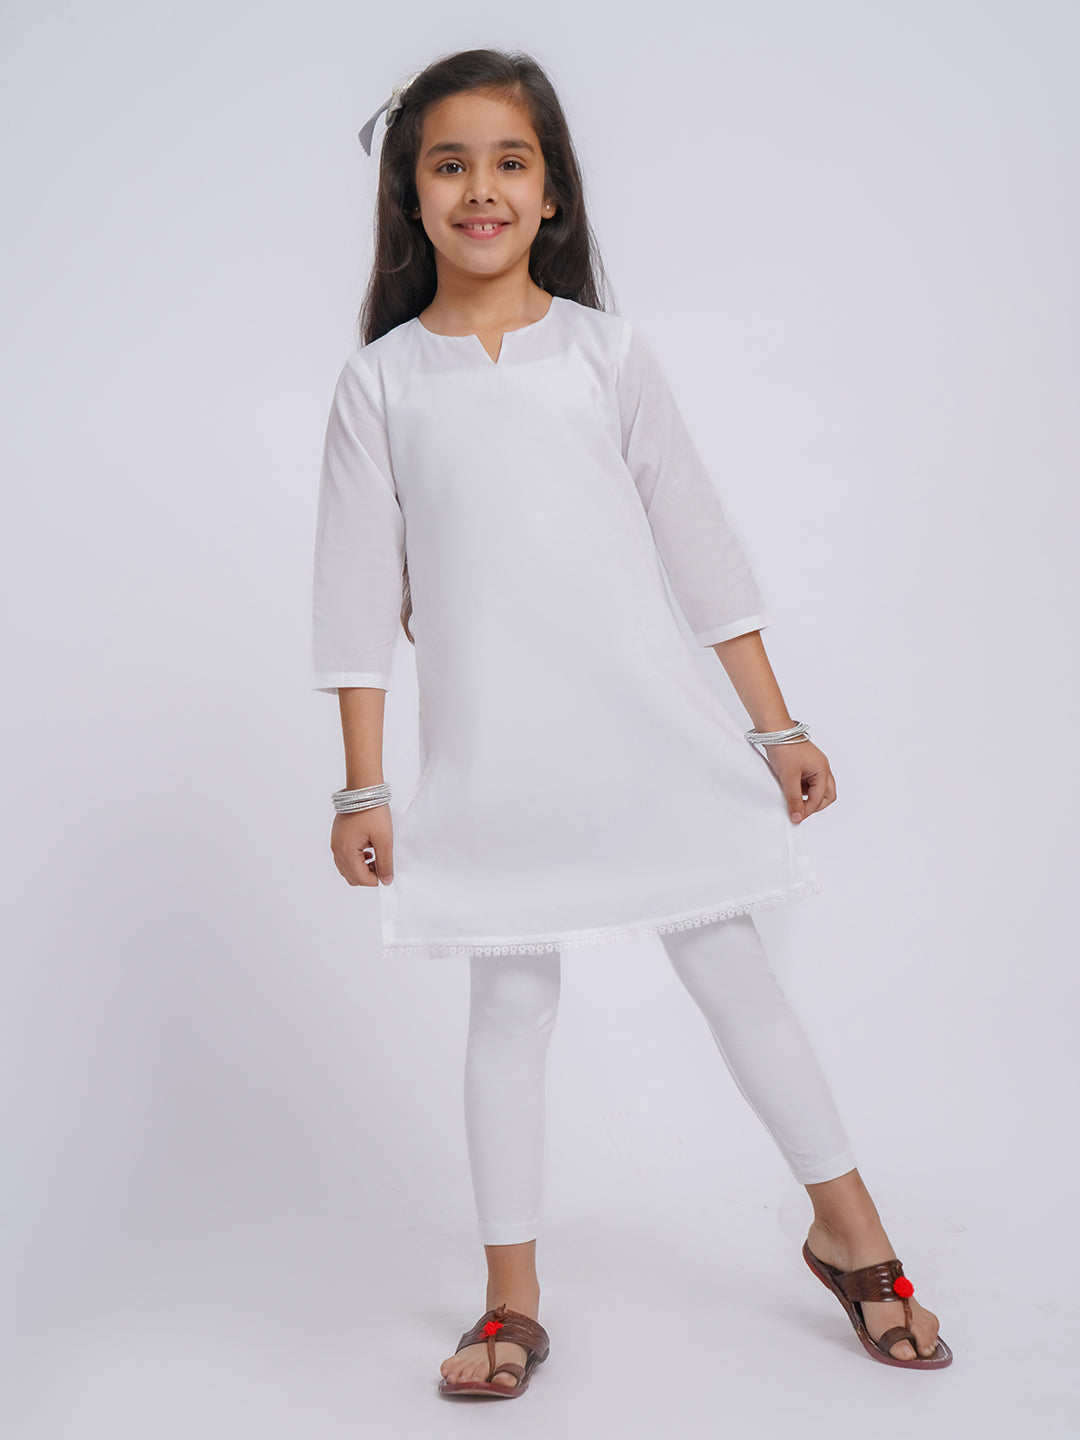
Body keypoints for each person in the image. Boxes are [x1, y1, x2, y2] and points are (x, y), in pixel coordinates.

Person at [310, 47, 952, 1397]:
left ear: (551, 192)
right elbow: (357, 595)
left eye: (510, 161)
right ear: (410, 196)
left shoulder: (606, 355)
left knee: (733, 974)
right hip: (498, 764)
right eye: (448, 164)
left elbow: (697, 544)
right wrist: (362, 787)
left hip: (648, 740)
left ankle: (853, 1234)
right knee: (510, 1001)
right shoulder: (382, 384)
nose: (481, 189)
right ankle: (511, 1298)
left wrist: (777, 728)